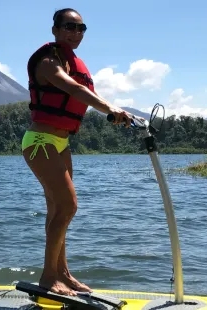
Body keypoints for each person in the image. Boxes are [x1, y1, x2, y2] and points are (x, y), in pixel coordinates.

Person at [21, 8, 143, 296]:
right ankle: (48, 278)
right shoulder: (49, 62)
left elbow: (79, 91)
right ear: (54, 30)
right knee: (68, 206)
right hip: (41, 141)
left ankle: (63, 272)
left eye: (80, 28)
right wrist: (110, 108)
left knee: (57, 209)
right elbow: (73, 89)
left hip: (61, 143)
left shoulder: (73, 60)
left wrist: (118, 113)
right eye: (68, 27)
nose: (75, 33)